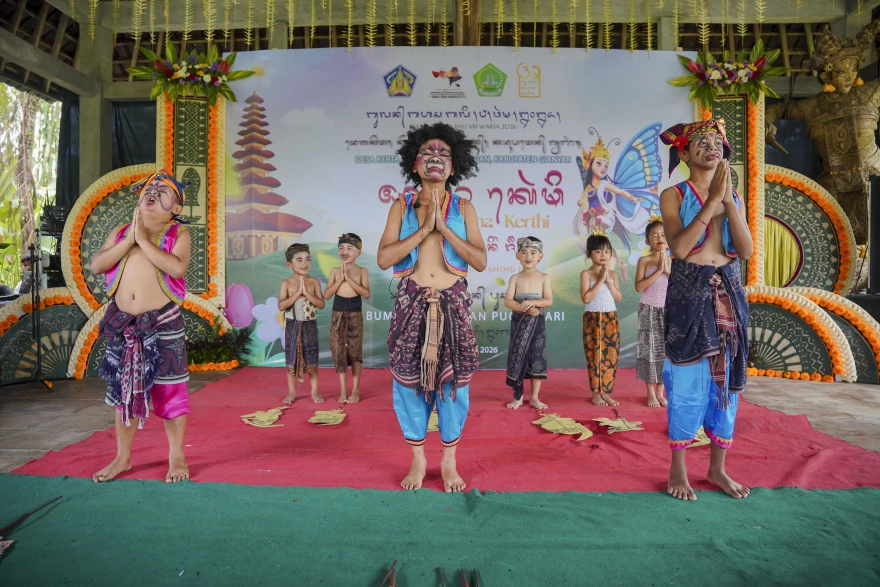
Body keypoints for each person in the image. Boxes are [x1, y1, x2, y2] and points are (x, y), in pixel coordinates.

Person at [377, 122, 485, 493]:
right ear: (414, 164)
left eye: (443, 154)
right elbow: (384, 258)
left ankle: (449, 460)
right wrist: (424, 229)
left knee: (453, 385)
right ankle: (418, 459)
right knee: (408, 384)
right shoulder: (400, 206)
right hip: (412, 302)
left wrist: (444, 228)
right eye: (427, 152)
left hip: (452, 303)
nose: (435, 158)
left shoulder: (464, 207)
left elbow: (480, 261)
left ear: (454, 167)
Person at [659, 118, 753, 500]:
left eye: (717, 140)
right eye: (702, 140)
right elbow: (680, 249)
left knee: (726, 382)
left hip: (728, 290)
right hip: (689, 294)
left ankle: (717, 469)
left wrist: (728, 202)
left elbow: (746, 250)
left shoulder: (735, 197)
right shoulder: (673, 195)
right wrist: (713, 200)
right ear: (683, 153)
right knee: (685, 382)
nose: (712, 145)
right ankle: (678, 470)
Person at [89, 170, 192, 483]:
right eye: (149, 188)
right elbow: (98, 264)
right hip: (125, 326)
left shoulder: (178, 234)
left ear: (176, 208)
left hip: (163, 323)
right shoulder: (122, 232)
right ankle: (123, 457)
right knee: (124, 391)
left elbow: (177, 268)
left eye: (163, 190)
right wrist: (130, 240)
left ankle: (176, 455)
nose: (153, 192)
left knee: (170, 390)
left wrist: (144, 241)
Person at [503, 237, 552, 410]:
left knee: (536, 357)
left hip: (536, 323)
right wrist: (523, 308)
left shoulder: (544, 277)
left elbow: (548, 300)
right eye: (523, 252)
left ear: (540, 256)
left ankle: (534, 398)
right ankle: (518, 397)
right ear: (517, 256)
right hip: (519, 323)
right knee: (518, 356)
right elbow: (508, 301)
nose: (528, 256)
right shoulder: (515, 278)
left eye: (533, 252)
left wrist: (533, 304)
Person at [323, 233, 371, 403]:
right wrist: (340, 279)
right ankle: (343, 389)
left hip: (355, 314)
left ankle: (355, 389)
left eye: (350, 248)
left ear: (358, 252)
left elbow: (366, 294)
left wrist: (349, 278)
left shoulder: (362, 271)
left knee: (355, 352)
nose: (345, 251)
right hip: (338, 314)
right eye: (341, 248)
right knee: (339, 352)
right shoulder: (335, 271)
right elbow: (327, 295)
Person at [580, 230, 623, 407]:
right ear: (589, 253)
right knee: (595, 357)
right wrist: (599, 280)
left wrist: (608, 280)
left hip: (610, 317)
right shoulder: (586, 274)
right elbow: (586, 298)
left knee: (610, 356)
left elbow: (618, 298)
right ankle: (595, 394)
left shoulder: (613, 275)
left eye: (606, 251)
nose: (603, 255)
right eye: (598, 251)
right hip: (593, 319)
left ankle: (606, 392)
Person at [279, 243, 326, 405]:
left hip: (309, 325)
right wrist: (297, 294)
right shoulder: (286, 283)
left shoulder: (313, 282)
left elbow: (321, 304)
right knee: (291, 357)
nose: (304, 263)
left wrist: (306, 293)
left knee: (311, 357)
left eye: (307, 259)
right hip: (292, 325)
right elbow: (281, 306)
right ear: (289, 264)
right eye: (299, 260)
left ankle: (314, 391)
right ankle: (292, 392)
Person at [634, 216, 670, 408]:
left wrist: (667, 269)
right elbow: (638, 286)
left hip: (667, 310)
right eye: (655, 235)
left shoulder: (673, 259)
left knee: (665, 352)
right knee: (648, 351)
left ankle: (660, 393)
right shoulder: (645, 260)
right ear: (648, 241)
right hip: (648, 309)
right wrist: (658, 271)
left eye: (663, 234)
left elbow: (678, 285)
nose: (660, 238)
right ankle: (649, 393)